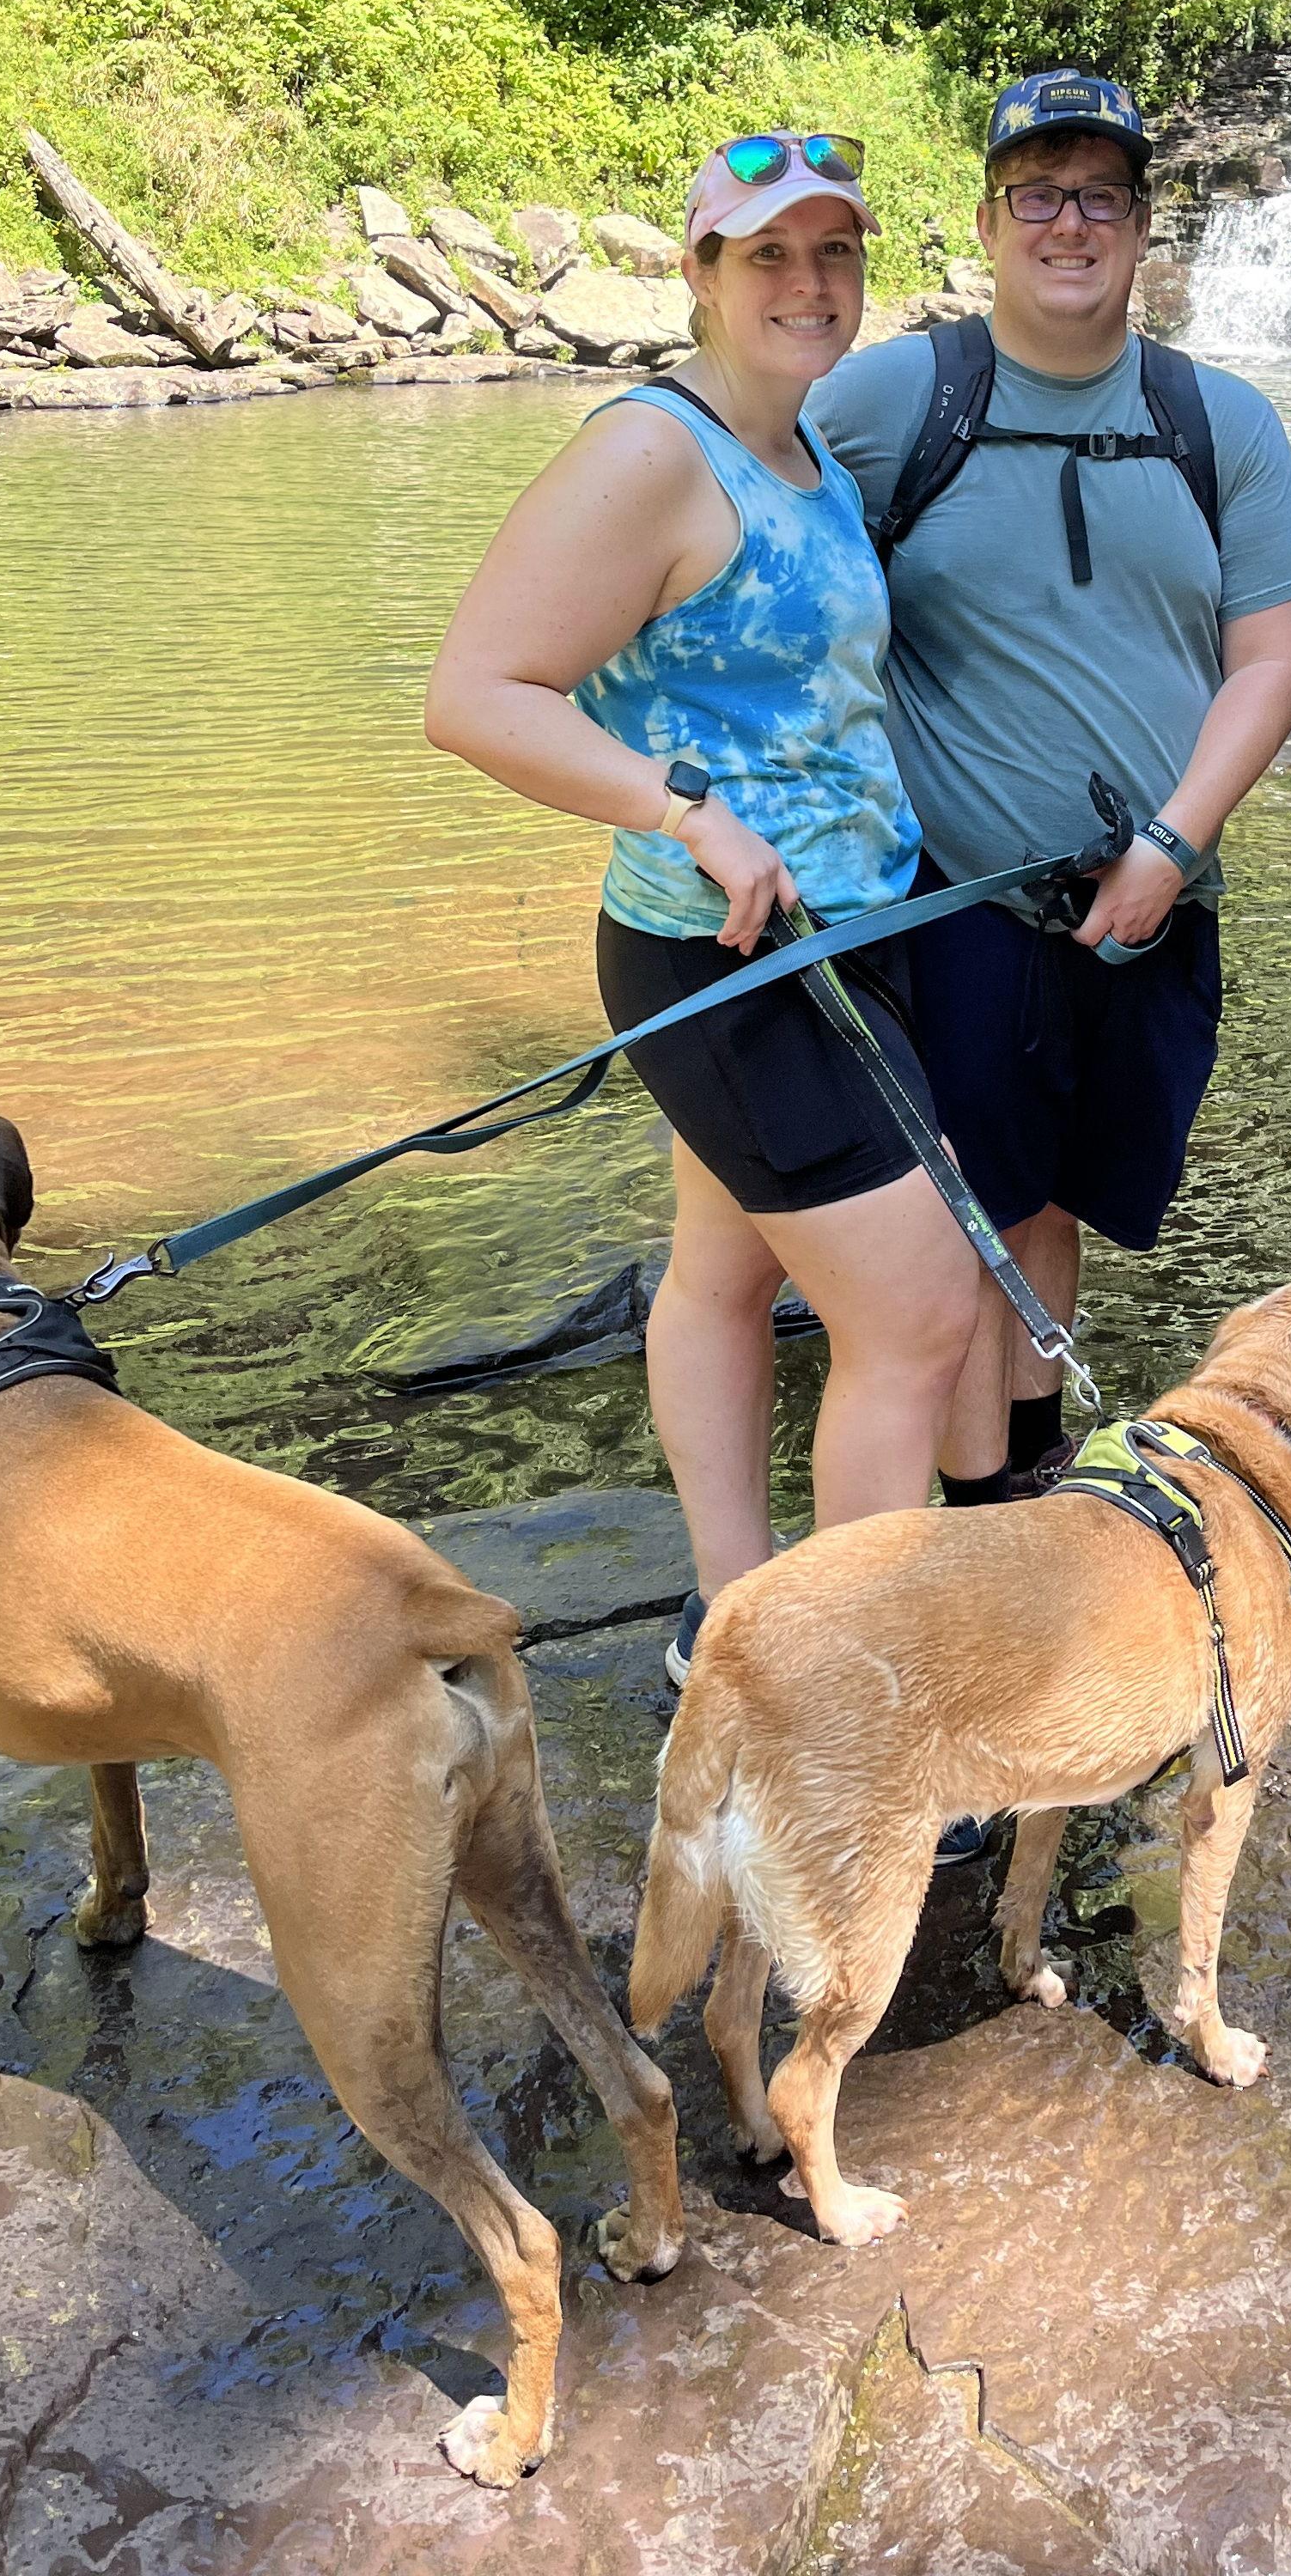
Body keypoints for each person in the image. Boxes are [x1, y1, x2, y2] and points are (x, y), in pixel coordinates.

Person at [425, 133, 981, 1700]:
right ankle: (847, 1695)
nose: (808, 284)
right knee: (922, 1315)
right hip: (732, 962)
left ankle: (733, 1622)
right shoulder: (649, 454)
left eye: (835, 253)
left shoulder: (800, 451)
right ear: (698, 274)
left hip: (846, 936)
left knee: (726, 1276)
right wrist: (684, 808)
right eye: (767, 255)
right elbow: (473, 696)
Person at [812, 69, 1291, 1502]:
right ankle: (979, 1509)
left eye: (1100, 195)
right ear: (986, 221)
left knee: (1051, 1200)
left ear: (1144, 226)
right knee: (962, 1210)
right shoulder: (889, 399)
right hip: (954, 906)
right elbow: (746, 540)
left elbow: (1271, 652)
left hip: (1159, 900)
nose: (1069, 222)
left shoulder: (1219, 421)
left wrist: (1171, 842)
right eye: (1037, 193)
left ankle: (1028, 1456)